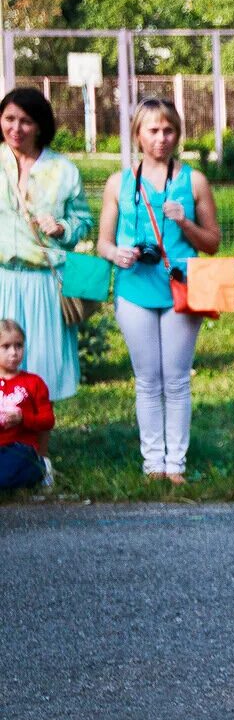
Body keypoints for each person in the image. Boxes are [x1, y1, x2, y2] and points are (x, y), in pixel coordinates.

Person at [97, 99, 222, 485]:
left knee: (177, 379)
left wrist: (184, 221)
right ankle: (153, 463)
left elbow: (213, 242)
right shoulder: (119, 183)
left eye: (168, 130)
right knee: (148, 379)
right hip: (134, 289)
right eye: (152, 130)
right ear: (137, 134)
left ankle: (176, 465)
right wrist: (116, 253)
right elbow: (102, 242)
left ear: (177, 134)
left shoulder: (194, 180)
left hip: (183, 290)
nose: (161, 138)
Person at [0, 88, 93, 410]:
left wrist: (63, 228)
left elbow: (83, 220)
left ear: (39, 125)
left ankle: (40, 452)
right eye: (9, 118)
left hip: (44, 281)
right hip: (2, 278)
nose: (15, 128)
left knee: (42, 367)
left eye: (25, 121)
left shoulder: (63, 171)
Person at [0, 320, 54, 490]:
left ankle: (42, 468)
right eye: (6, 346)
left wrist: (23, 418)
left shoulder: (33, 382)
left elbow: (48, 420)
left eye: (18, 346)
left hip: (21, 448)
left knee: (5, 477)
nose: (14, 352)